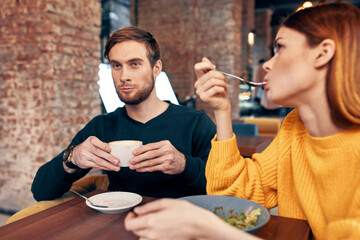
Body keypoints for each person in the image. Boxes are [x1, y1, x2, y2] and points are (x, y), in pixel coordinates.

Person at [124, 2, 360, 240]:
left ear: (322, 53)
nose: (267, 64)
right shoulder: (294, 127)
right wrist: (222, 110)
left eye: (280, 48)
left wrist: (208, 229)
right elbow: (238, 192)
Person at [31, 26, 216, 200]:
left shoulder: (196, 123)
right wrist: (72, 159)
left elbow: (224, 190)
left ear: (156, 68)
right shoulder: (102, 126)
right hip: (118, 226)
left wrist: (184, 165)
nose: (124, 76)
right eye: (116, 65)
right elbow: (40, 192)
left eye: (134, 64)